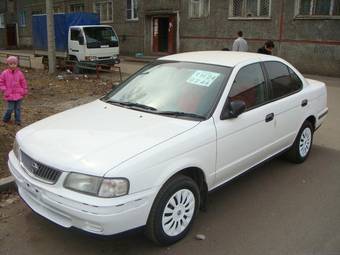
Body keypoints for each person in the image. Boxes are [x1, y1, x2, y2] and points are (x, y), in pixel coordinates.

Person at [0, 56, 28, 125]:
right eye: (11, 64)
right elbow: (1, 82)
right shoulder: (4, 73)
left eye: (14, 64)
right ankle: (5, 119)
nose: (13, 65)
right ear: (8, 64)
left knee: (17, 109)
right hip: (9, 94)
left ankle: (18, 121)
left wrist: (24, 90)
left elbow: (23, 82)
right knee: (10, 108)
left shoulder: (19, 73)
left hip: (19, 94)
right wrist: (4, 89)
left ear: (17, 64)